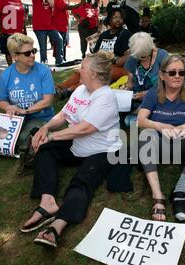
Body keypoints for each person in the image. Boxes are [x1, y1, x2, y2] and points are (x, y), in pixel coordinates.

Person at [20, 51, 122, 250]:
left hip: (103, 151)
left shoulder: (106, 96)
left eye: (82, 67)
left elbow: (85, 129)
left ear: (93, 73)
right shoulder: (81, 90)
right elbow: (64, 114)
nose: (78, 70)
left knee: (82, 181)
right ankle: (47, 200)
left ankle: (57, 226)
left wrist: (51, 136)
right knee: (46, 149)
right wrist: (46, 128)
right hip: (77, 145)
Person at [137, 55, 185, 222]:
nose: (177, 76)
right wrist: (160, 126)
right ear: (162, 75)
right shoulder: (153, 93)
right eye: (172, 72)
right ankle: (158, 196)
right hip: (159, 146)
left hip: (184, 146)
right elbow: (140, 121)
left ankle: (180, 192)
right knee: (145, 135)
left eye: (181, 72)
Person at [0, 33, 55, 151]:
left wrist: (24, 111)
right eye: (27, 53)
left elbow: (47, 101)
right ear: (15, 56)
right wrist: (9, 108)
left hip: (41, 117)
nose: (32, 55)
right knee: (1, 137)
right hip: (17, 119)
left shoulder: (43, 71)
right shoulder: (6, 75)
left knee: (21, 139)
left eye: (33, 50)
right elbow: (2, 100)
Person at [123, 32, 168, 123]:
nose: (140, 59)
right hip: (137, 97)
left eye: (143, 56)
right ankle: (143, 115)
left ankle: (142, 115)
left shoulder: (162, 56)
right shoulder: (133, 58)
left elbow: (168, 85)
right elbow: (130, 83)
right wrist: (126, 89)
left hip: (159, 95)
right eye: (138, 56)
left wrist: (147, 94)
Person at [93, 6, 132, 81]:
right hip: (101, 66)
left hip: (117, 69)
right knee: (81, 71)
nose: (118, 20)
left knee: (97, 75)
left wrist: (112, 62)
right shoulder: (103, 35)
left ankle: (72, 89)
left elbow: (129, 56)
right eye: (115, 17)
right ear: (110, 19)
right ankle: (64, 88)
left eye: (120, 18)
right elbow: (95, 52)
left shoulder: (126, 34)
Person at [32, 0, 64, 65]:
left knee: (59, 40)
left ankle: (59, 62)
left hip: (50, 25)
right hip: (39, 26)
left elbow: (52, 4)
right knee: (43, 47)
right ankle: (44, 64)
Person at [0, 0, 26, 66]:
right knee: (8, 52)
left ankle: (19, 69)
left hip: (19, 32)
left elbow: (21, 16)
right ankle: (11, 69)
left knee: (19, 51)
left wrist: (24, 27)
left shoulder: (18, 1)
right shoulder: (0, 1)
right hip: (6, 31)